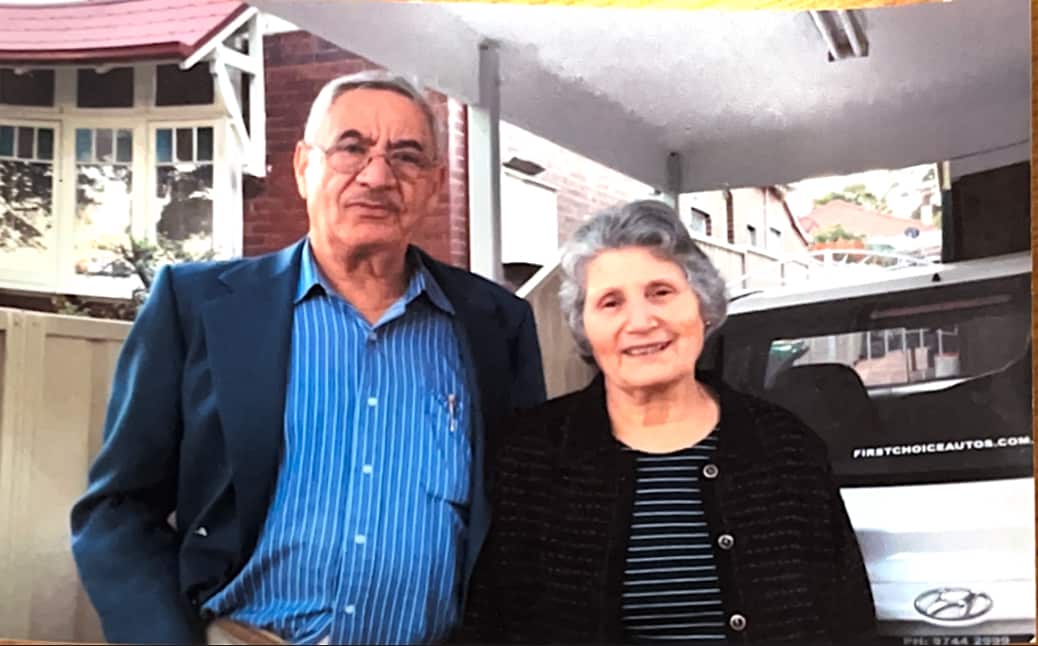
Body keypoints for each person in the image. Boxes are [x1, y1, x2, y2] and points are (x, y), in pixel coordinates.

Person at [70, 71, 546, 646]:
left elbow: (523, 518)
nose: (376, 176)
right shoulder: (197, 307)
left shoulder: (497, 326)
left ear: (435, 184)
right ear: (302, 166)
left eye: (406, 156)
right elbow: (116, 510)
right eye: (351, 148)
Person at [457, 200, 876, 644]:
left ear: (704, 307)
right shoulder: (533, 458)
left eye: (660, 292)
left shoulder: (786, 449)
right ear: (585, 328)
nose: (640, 321)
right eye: (610, 302)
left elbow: (847, 618)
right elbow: (495, 624)